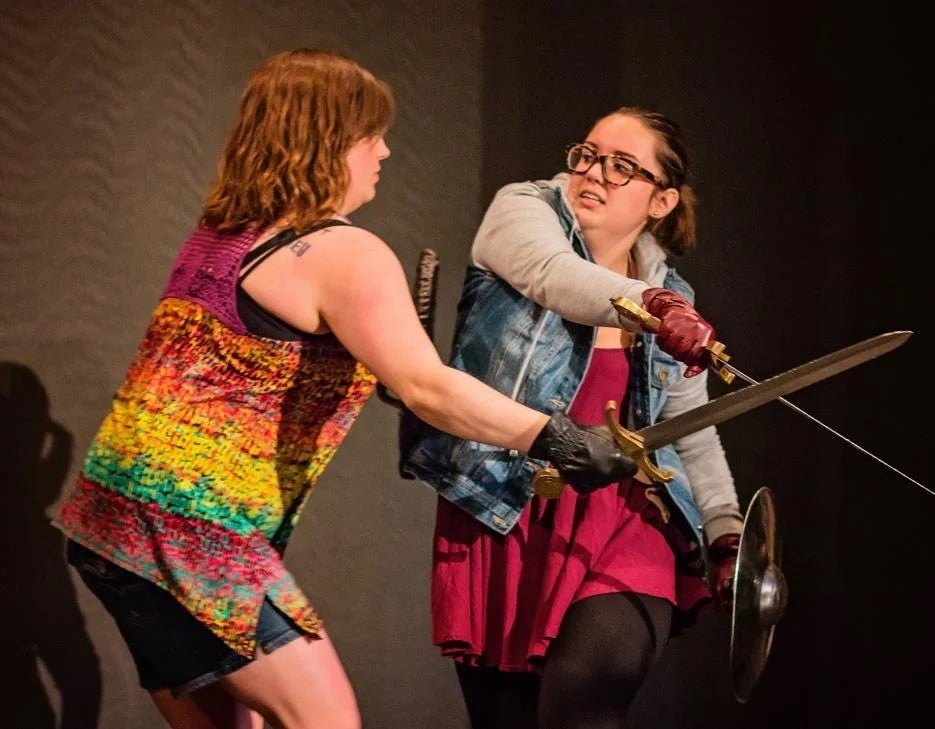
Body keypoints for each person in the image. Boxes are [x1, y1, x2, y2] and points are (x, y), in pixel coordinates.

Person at [51, 49, 638, 729]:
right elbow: (426, 387)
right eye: (371, 135)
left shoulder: (224, 236)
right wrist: (557, 435)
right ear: (329, 140)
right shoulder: (344, 252)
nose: (384, 151)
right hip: (189, 536)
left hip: (109, 528)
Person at [404, 106, 745, 729]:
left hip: (626, 517)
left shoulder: (677, 301)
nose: (593, 174)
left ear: (661, 200)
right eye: (587, 155)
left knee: (586, 704)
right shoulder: (523, 212)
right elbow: (555, 277)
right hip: (507, 505)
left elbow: (690, 433)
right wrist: (653, 306)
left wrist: (725, 532)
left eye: (622, 167)